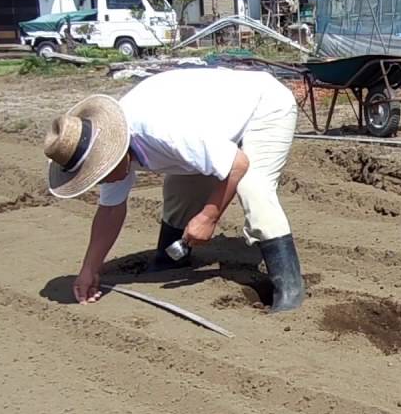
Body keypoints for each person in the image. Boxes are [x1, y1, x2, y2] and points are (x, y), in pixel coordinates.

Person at [42, 67, 305, 312]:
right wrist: (89, 268)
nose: (102, 181)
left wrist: (208, 217)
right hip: (207, 124)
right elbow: (110, 211)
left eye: (101, 173)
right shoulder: (111, 141)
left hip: (264, 106)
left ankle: (289, 290)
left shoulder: (159, 131)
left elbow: (237, 164)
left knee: (253, 186)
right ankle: (170, 260)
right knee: (179, 190)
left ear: (114, 153)